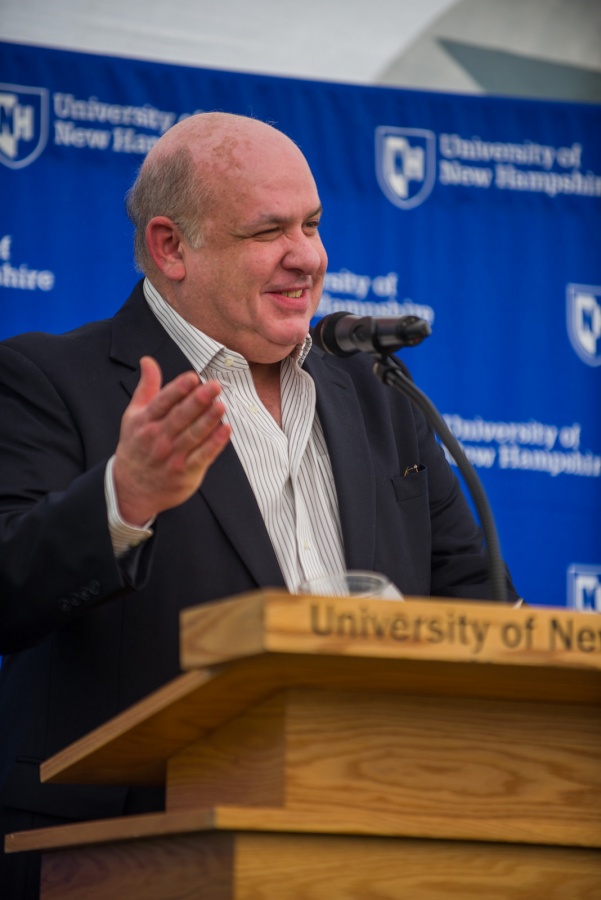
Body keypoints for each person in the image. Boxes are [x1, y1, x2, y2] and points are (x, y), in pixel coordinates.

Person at [0, 112, 519, 896]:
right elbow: (8, 591)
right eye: (267, 230)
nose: (306, 256)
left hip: (367, 847)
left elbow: (482, 612)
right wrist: (124, 498)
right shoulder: (47, 380)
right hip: (128, 855)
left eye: (312, 224)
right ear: (171, 247)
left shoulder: (383, 400)